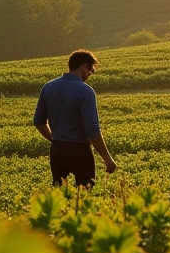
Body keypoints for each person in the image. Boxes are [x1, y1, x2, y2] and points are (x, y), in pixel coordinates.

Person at [34, 49, 117, 188]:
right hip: (80, 152)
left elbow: (39, 122)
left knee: (58, 196)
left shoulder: (48, 87)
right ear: (84, 66)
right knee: (84, 195)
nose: (91, 74)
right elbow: (92, 129)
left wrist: (56, 139)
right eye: (91, 69)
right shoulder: (86, 91)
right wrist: (107, 159)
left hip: (57, 151)